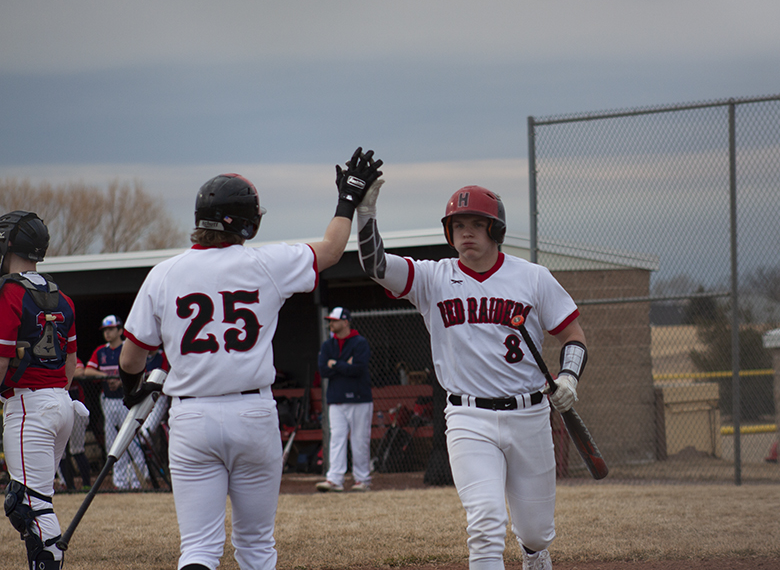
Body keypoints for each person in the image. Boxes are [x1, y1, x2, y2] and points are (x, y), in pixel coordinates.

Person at [117, 151, 382, 570]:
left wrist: (135, 389)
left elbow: (131, 357)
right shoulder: (265, 263)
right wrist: (347, 200)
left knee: (199, 549)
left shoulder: (163, 273)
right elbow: (331, 250)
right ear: (247, 220)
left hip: (192, 416)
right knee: (256, 546)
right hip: (252, 411)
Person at [355, 182, 586, 570]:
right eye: (457, 224)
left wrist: (569, 377)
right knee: (485, 523)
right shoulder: (432, 277)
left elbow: (572, 333)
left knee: (535, 531)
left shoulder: (532, 277)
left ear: (496, 230)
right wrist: (365, 215)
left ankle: (534, 553)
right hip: (467, 417)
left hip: (529, 416)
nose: (465, 232)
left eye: (477, 224)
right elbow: (375, 265)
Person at [0, 211, 80, 570]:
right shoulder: (63, 297)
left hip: (29, 405)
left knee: (28, 504)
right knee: (36, 499)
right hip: (61, 404)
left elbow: (1, 361)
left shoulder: (10, 292)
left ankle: (48, 562)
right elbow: (69, 366)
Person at [83, 314, 149, 490]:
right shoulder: (101, 351)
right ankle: (119, 483)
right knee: (113, 444)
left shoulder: (127, 348)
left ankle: (138, 481)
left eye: (111, 329)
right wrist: (106, 376)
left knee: (133, 441)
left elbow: (144, 373)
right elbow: (88, 372)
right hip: (109, 401)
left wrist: (121, 380)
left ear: (120, 330)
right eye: (105, 330)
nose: (108, 333)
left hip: (128, 401)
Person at [315, 307, 374, 493]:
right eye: (329, 321)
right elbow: (323, 370)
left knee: (360, 440)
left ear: (346, 322)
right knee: (337, 439)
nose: (330, 324)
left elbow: (358, 368)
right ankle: (334, 480)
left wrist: (335, 363)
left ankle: (362, 479)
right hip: (336, 399)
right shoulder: (327, 345)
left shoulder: (359, 342)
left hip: (360, 399)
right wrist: (344, 364)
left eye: (334, 320)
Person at [59, 357, 93, 491]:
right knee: (60, 452)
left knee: (77, 449)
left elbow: (80, 372)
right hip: (57, 408)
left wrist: (60, 374)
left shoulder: (70, 357)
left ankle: (86, 485)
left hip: (76, 409)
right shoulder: (50, 358)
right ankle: (69, 486)